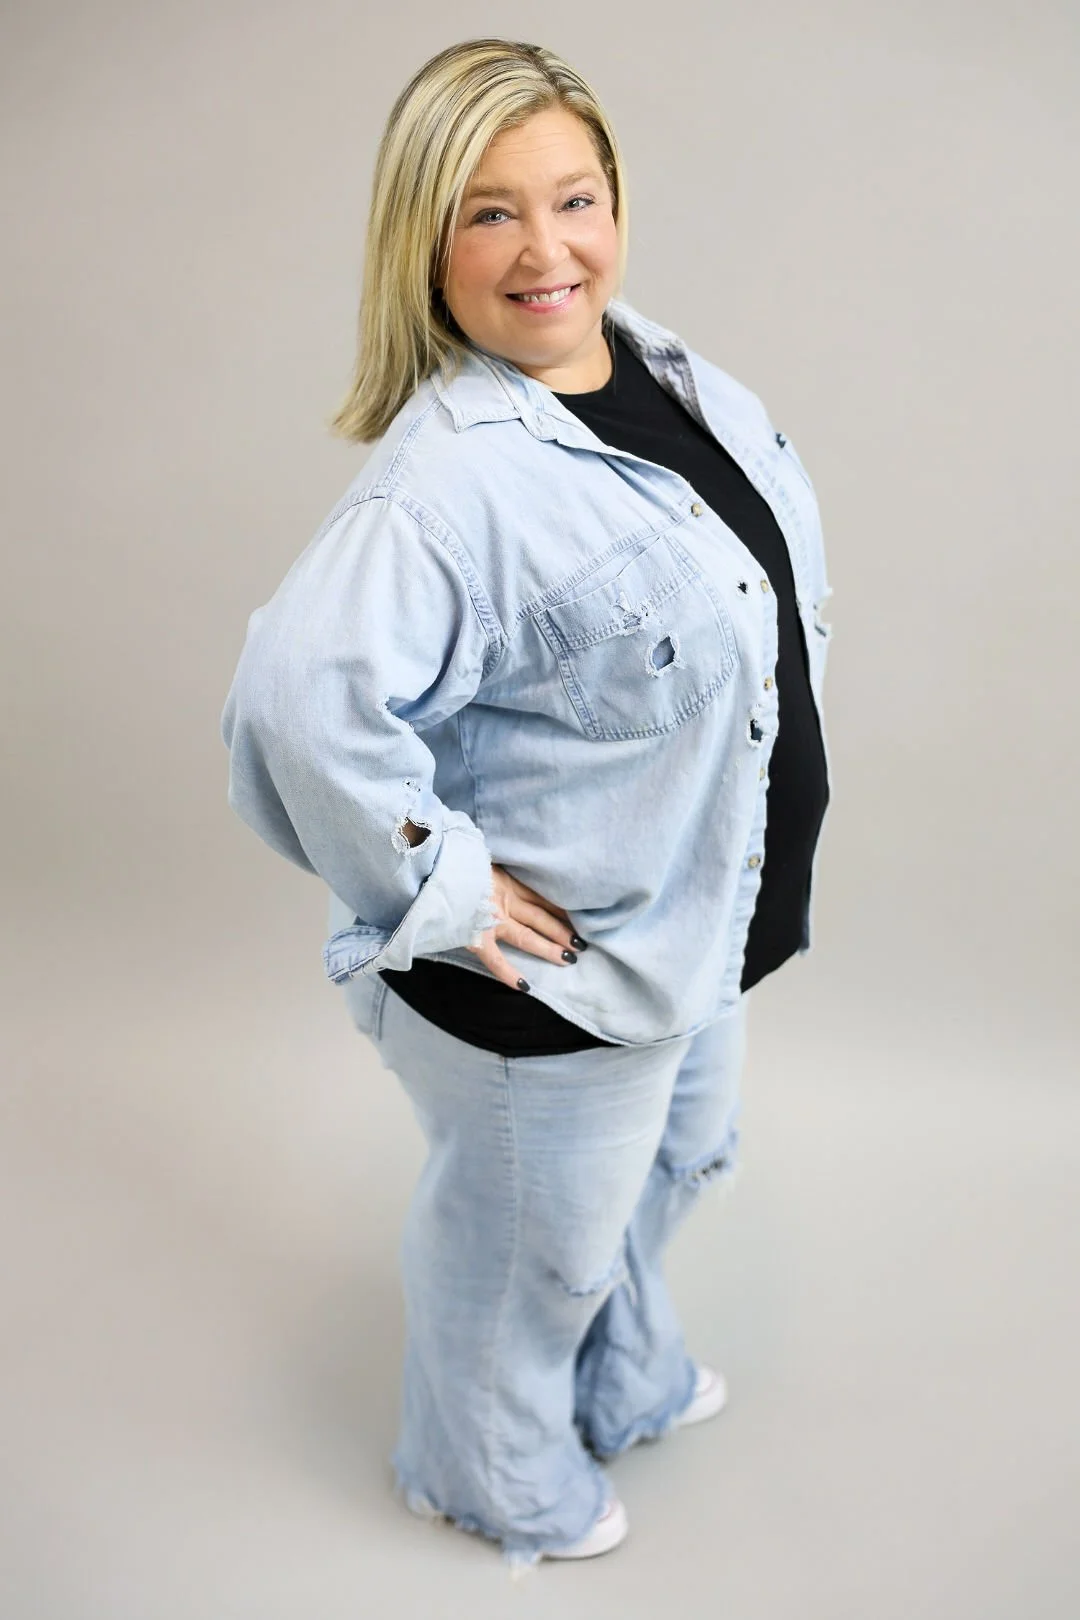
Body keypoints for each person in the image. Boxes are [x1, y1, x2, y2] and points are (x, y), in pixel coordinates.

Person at [219, 37, 834, 1569]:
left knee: (684, 1161)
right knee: (527, 1257)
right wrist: (436, 883)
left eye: (574, 197)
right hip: (548, 986)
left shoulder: (665, 370)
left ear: (618, 201)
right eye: (491, 214)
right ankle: (484, 1472)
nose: (546, 250)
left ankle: (619, 1384)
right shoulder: (449, 484)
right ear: (426, 244)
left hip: (683, 925)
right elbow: (297, 703)